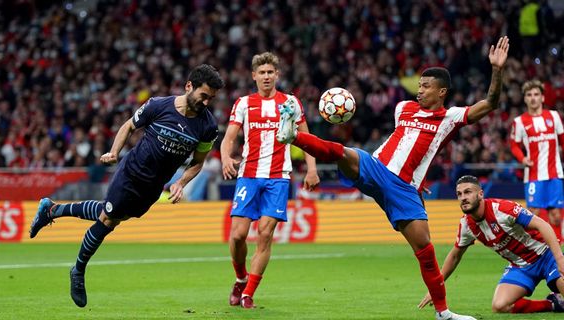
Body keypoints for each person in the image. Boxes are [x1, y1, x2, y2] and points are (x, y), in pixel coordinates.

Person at [275, 37, 511, 320]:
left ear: (442, 91)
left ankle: (443, 313)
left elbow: (491, 103)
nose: (419, 90)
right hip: (376, 168)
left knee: (425, 249)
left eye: (426, 86)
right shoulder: (403, 108)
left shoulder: (450, 117)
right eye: (419, 85)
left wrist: (496, 70)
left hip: (404, 189)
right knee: (344, 153)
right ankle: (294, 136)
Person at [28, 64, 225, 307]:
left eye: (211, 99)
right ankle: (78, 270)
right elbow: (129, 126)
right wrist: (114, 152)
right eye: (203, 96)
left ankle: (52, 210)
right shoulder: (158, 105)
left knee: (112, 214)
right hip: (130, 173)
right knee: (108, 219)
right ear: (189, 87)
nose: (206, 103)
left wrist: (181, 183)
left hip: (154, 186)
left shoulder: (208, 127)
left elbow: (197, 162)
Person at [221, 52, 319, 309]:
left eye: (270, 72)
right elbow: (229, 137)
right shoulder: (243, 103)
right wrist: (225, 158)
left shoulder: (290, 103)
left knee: (265, 234)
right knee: (238, 235)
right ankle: (240, 278)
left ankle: (248, 293)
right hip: (249, 176)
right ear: (254, 76)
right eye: (261, 72)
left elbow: (308, 140)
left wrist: (311, 170)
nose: (266, 76)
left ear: (277, 75)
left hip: (278, 177)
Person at [418, 175, 564, 314]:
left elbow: (543, 225)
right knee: (500, 305)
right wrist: (436, 287)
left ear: (480, 194)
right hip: (521, 266)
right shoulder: (466, 225)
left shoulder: (502, 209)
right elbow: (455, 256)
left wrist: (559, 259)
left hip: (546, 256)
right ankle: (552, 304)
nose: (463, 198)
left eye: (468, 192)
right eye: (459, 194)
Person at [510, 80, 564, 242]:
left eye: (536, 94)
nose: (533, 98)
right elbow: (514, 146)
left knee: (555, 215)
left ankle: (558, 251)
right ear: (525, 99)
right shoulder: (519, 122)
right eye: (529, 95)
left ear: (542, 97)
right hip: (533, 175)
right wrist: (523, 158)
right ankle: (532, 249)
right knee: (533, 213)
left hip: (554, 173)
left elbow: (562, 140)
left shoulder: (553, 116)